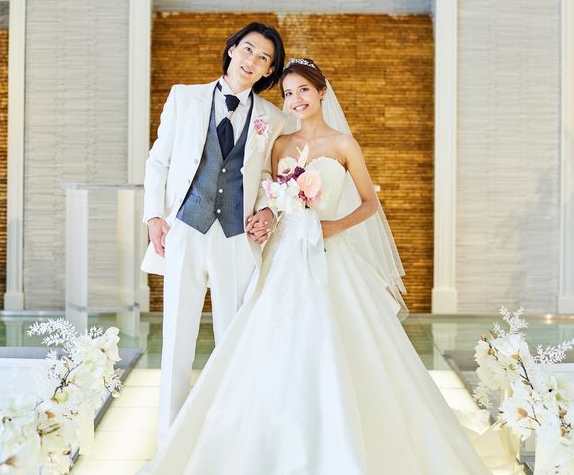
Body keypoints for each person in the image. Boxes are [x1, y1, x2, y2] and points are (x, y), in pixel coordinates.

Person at [139, 59, 490, 474]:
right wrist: (266, 217)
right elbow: (266, 195)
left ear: (322, 92)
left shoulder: (343, 144)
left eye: (303, 90)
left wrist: (333, 227)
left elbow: (370, 203)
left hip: (328, 251)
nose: (296, 99)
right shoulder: (279, 144)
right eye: (288, 93)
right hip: (282, 253)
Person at [141, 22, 287, 440]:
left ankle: (230, 437)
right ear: (232, 49)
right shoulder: (184, 97)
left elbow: (269, 178)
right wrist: (153, 216)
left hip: (237, 238)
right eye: (248, 49)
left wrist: (269, 212)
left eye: (264, 58)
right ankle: (170, 437)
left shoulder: (273, 118)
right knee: (176, 339)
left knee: (234, 342)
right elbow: (159, 161)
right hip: (185, 230)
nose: (252, 60)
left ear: (268, 71)